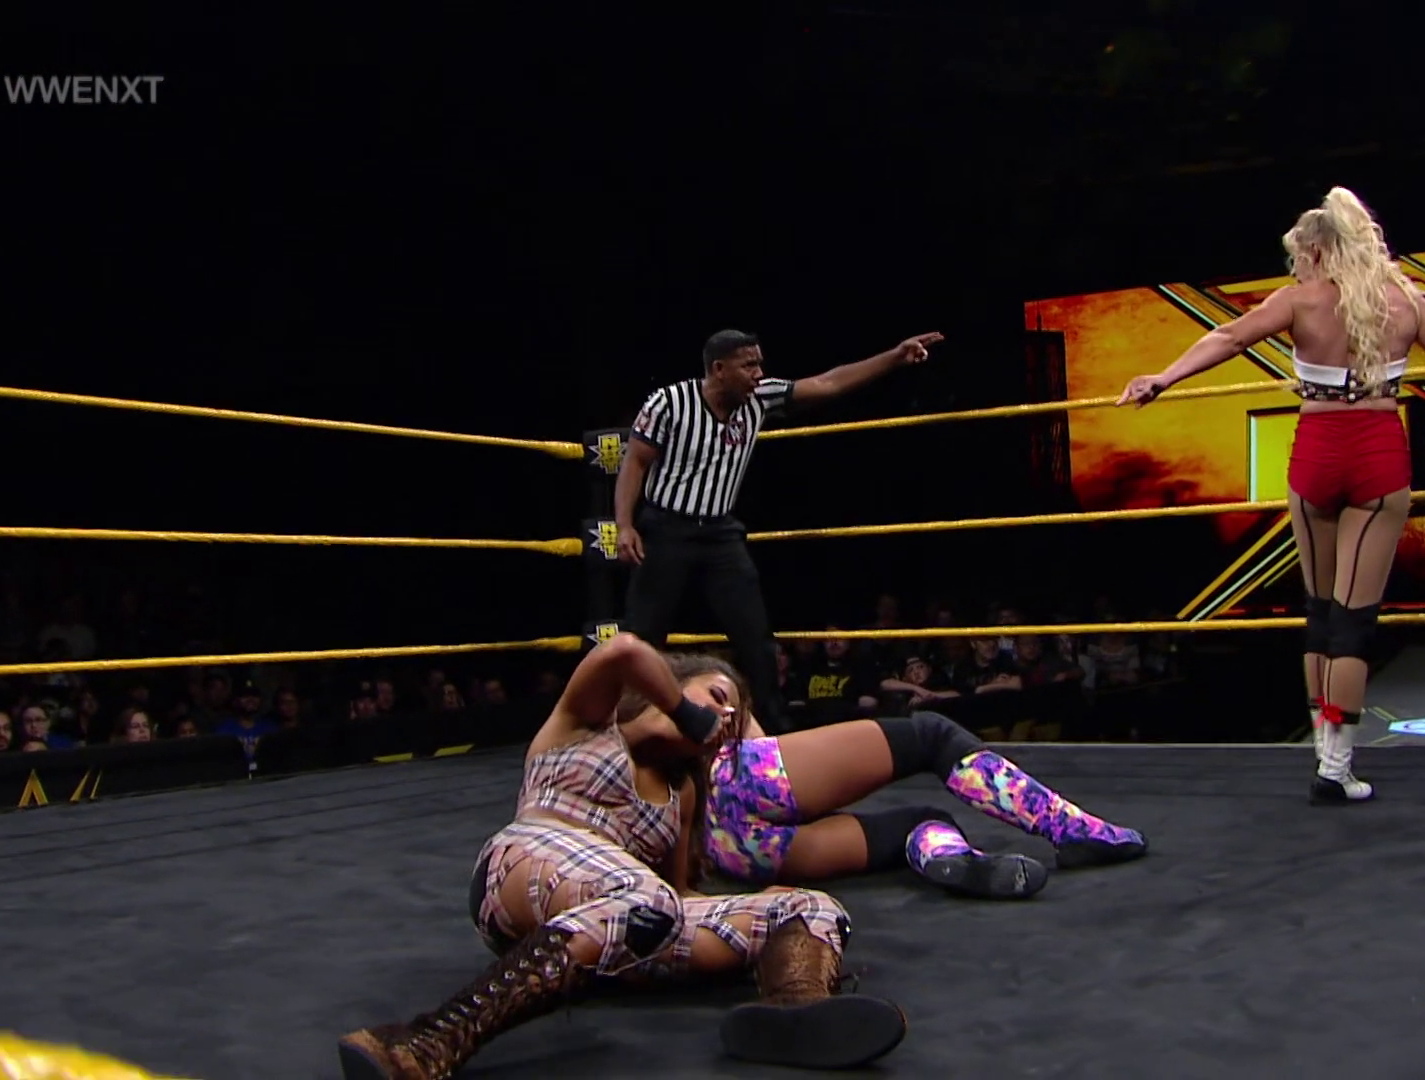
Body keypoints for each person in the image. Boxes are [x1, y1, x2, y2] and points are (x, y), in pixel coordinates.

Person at [336, 635, 907, 1080]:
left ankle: (795, 1011)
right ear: (672, 685)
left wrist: (755, 907)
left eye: (732, 717)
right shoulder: (588, 724)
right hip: (528, 858)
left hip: (622, 910)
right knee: (642, 898)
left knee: (809, 907)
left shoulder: (683, 793)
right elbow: (623, 651)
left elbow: (679, 898)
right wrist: (685, 713)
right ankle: (425, 1042)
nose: (724, 718)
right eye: (717, 698)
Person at [1117, 186, 1425, 805]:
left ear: (1316, 252)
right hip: (1376, 454)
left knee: (1321, 612)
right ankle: (1336, 766)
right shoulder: (1406, 303)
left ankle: (1326, 751)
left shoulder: (1298, 301)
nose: (1295, 266)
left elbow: (1229, 338)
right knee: (1352, 619)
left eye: (1298, 255)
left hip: (1317, 452)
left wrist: (1163, 378)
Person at [615, 328, 944, 734]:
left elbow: (829, 382)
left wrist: (893, 356)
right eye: (748, 365)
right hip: (666, 528)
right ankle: (622, 725)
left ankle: (772, 731)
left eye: (759, 364)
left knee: (756, 640)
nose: (758, 373)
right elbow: (635, 461)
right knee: (643, 635)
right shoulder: (670, 402)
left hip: (720, 533)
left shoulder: (760, 397)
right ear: (719, 369)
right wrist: (625, 525)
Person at [706, 710, 1146, 900]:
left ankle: (947, 855)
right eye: (714, 693)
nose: (725, 710)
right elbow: (754, 758)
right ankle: (1070, 827)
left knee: (922, 822)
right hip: (728, 781)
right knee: (930, 736)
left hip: (735, 852)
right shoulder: (683, 710)